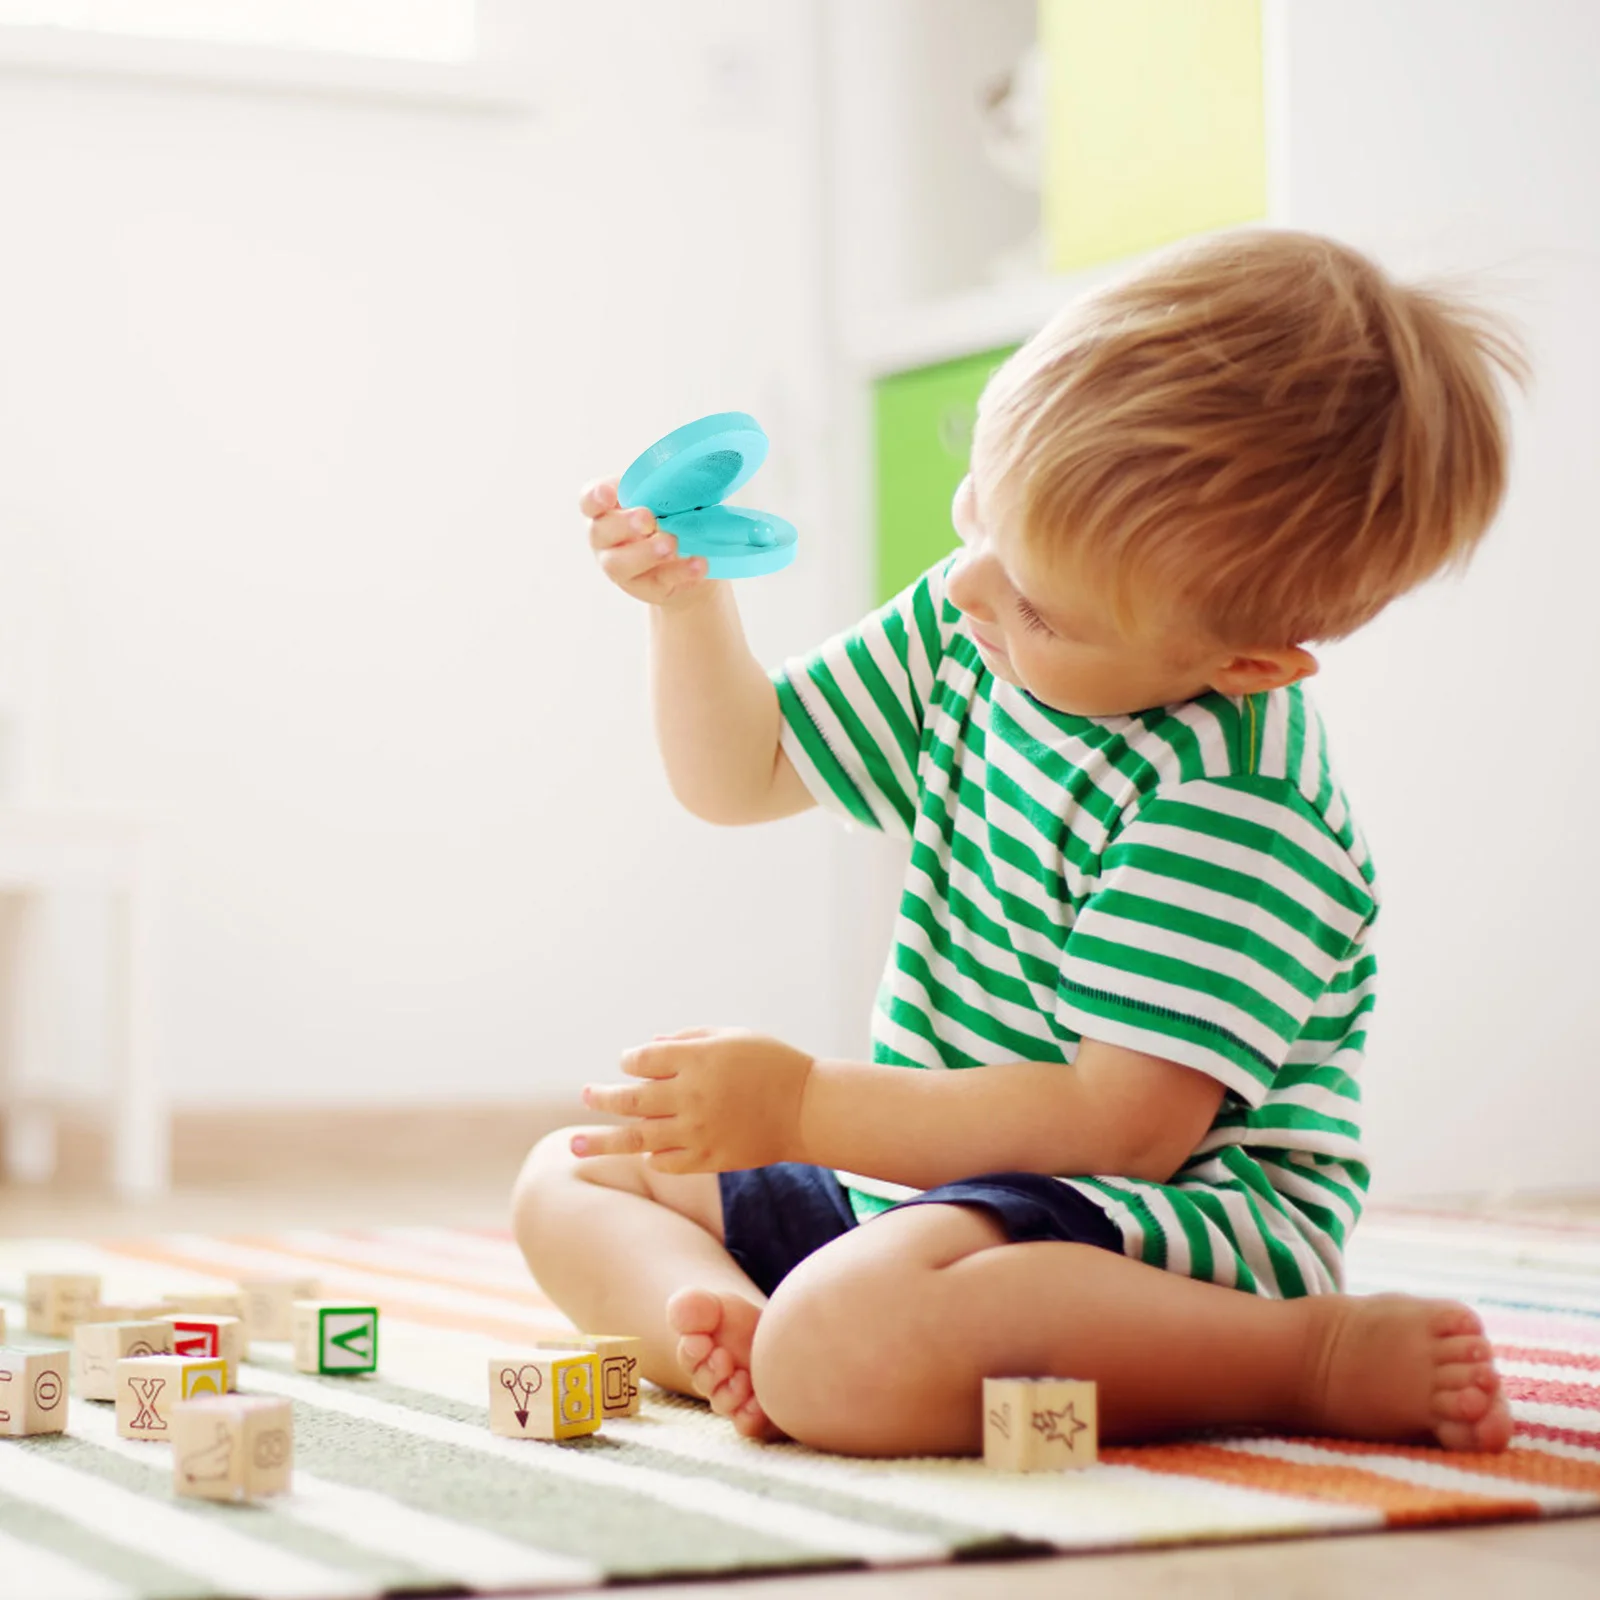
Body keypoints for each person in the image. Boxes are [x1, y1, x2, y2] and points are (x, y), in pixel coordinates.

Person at [513, 228, 1526, 1458]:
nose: (970, 590)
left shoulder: (1232, 800)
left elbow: (1119, 1129)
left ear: (1244, 663)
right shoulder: (982, 618)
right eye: (979, 508)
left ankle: (1305, 1355)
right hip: (929, 1198)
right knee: (573, 1171)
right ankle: (738, 1335)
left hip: (1157, 1231)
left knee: (851, 1336)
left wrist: (804, 1104)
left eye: (1038, 603)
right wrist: (687, 608)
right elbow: (748, 772)